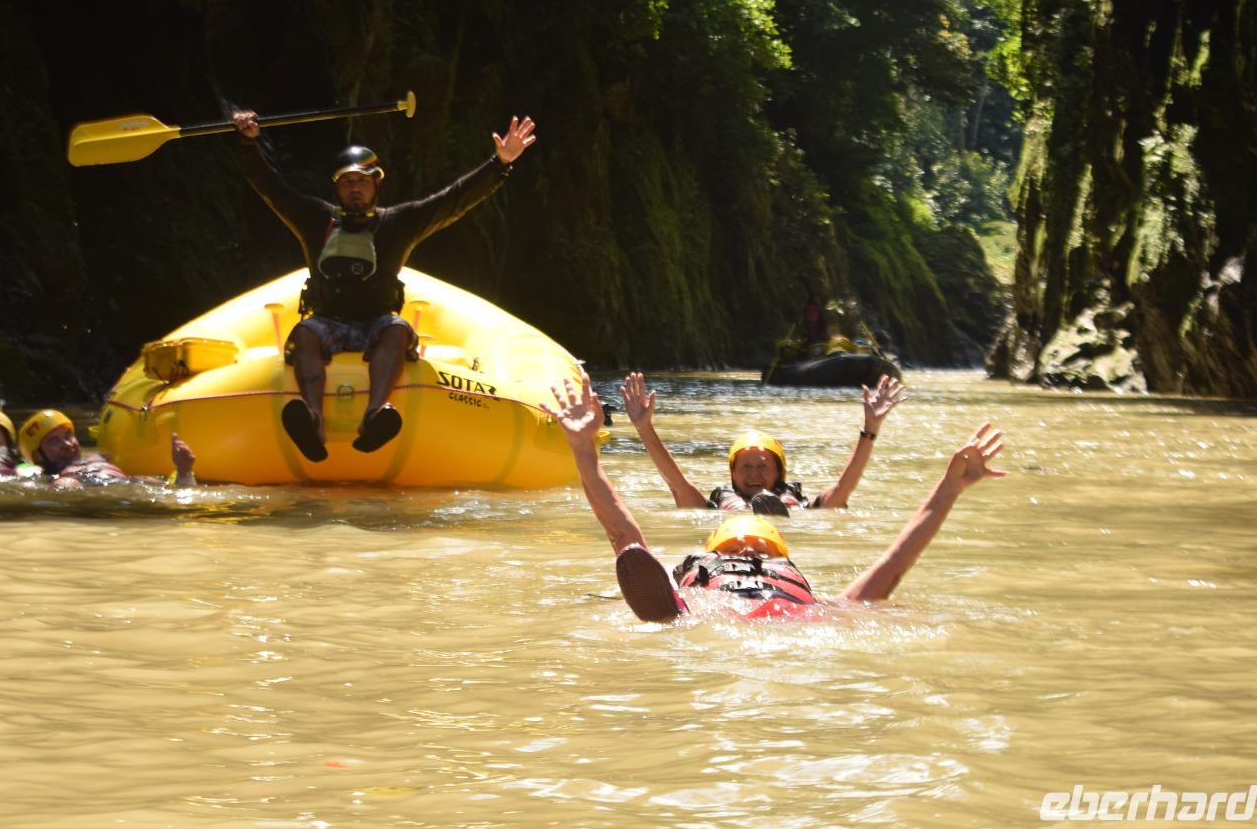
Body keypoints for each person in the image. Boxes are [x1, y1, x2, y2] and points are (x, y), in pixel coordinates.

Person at [542, 370, 1006, 622]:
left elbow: (894, 563)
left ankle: (672, 616)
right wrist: (584, 449)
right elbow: (623, 534)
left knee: (645, 560)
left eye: (759, 546)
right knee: (636, 553)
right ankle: (669, 611)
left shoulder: (810, 573)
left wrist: (949, 488)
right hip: (731, 610)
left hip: (764, 614)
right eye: (738, 546)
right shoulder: (711, 533)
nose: (746, 547)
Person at [228, 105, 537, 461]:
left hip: (377, 324)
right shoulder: (316, 219)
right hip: (327, 322)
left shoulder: (399, 223)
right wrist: (249, 144)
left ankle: (375, 415)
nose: (354, 189)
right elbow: (271, 188)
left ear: (376, 183)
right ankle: (312, 419)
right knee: (304, 333)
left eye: (362, 181)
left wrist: (499, 165)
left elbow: (454, 200)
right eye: (346, 182)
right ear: (337, 188)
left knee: (396, 328)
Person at [620, 370, 904, 515]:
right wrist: (644, 427)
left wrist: (870, 429)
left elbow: (844, 486)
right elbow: (676, 483)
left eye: (763, 466)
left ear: (780, 473)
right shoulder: (714, 510)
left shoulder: (806, 509)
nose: (754, 474)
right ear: (732, 474)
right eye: (745, 466)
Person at [18, 410, 198, 489]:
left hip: (127, 487)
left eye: (68, 435)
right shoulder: (43, 475)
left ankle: (185, 472)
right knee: (64, 485)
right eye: (54, 441)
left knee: (149, 481)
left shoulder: (101, 456)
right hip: (86, 491)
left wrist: (182, 467)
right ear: (37, 456)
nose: (67, 444)